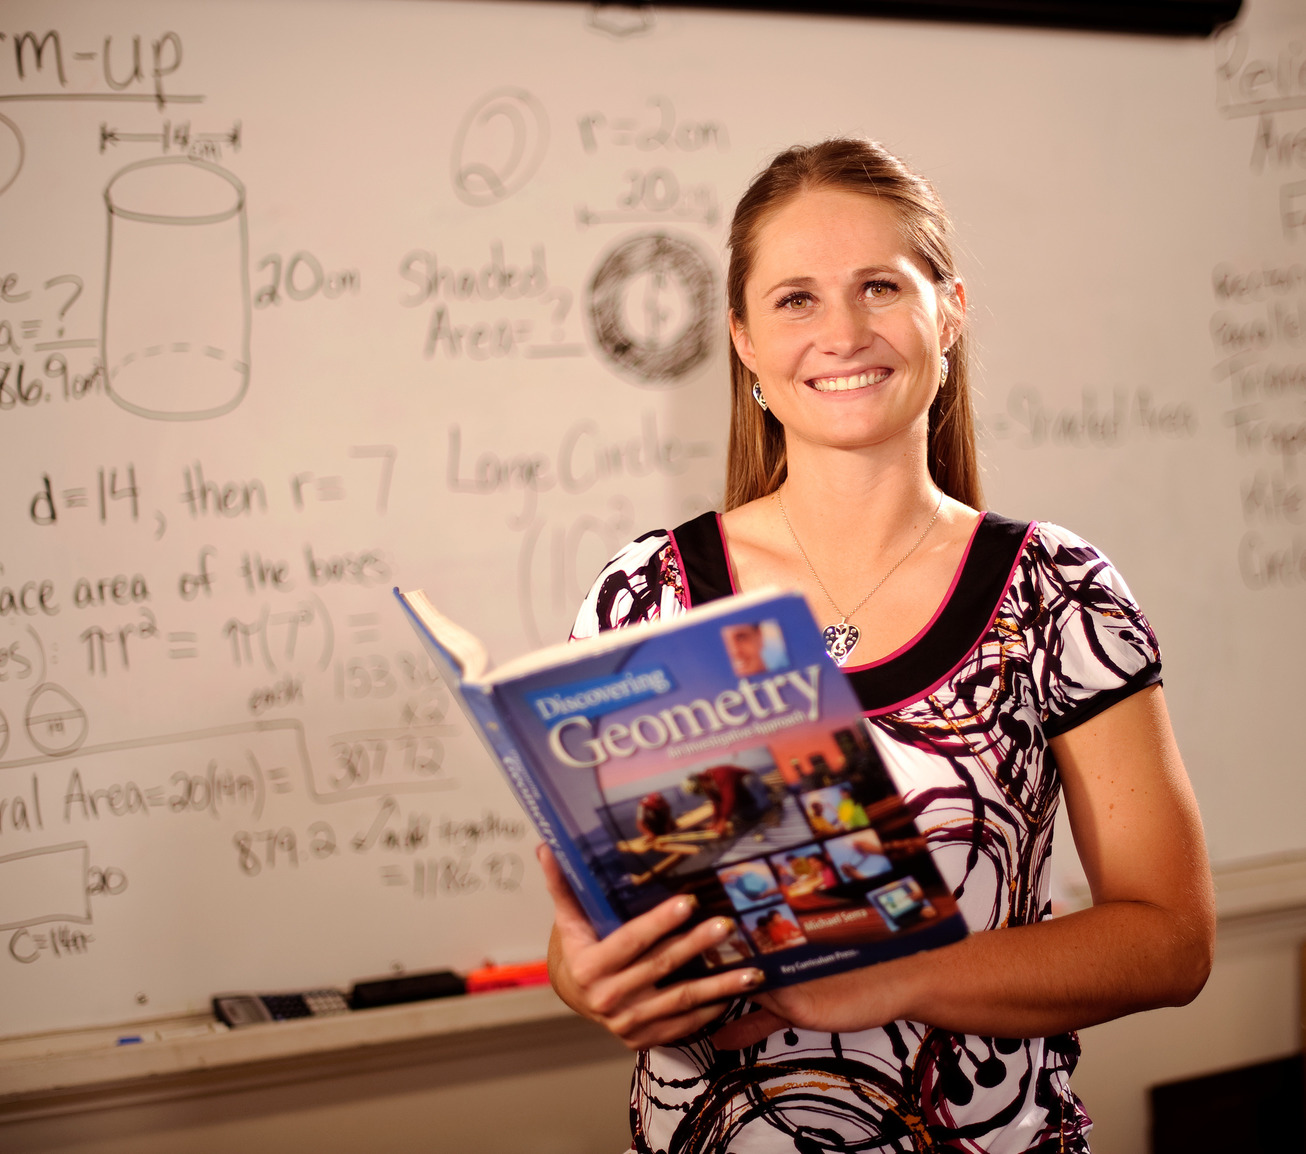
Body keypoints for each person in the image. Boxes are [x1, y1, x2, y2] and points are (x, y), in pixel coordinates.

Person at [541, 138, 1215, 1152]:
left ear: (949, 308)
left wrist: (880, 979)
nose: (843, 331)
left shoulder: (1054, 590)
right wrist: (586, 976)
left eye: (879, 287)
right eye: (796, 299)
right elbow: (597, 933)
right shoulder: (648, 597)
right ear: (743, 341)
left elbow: (1169, 939)